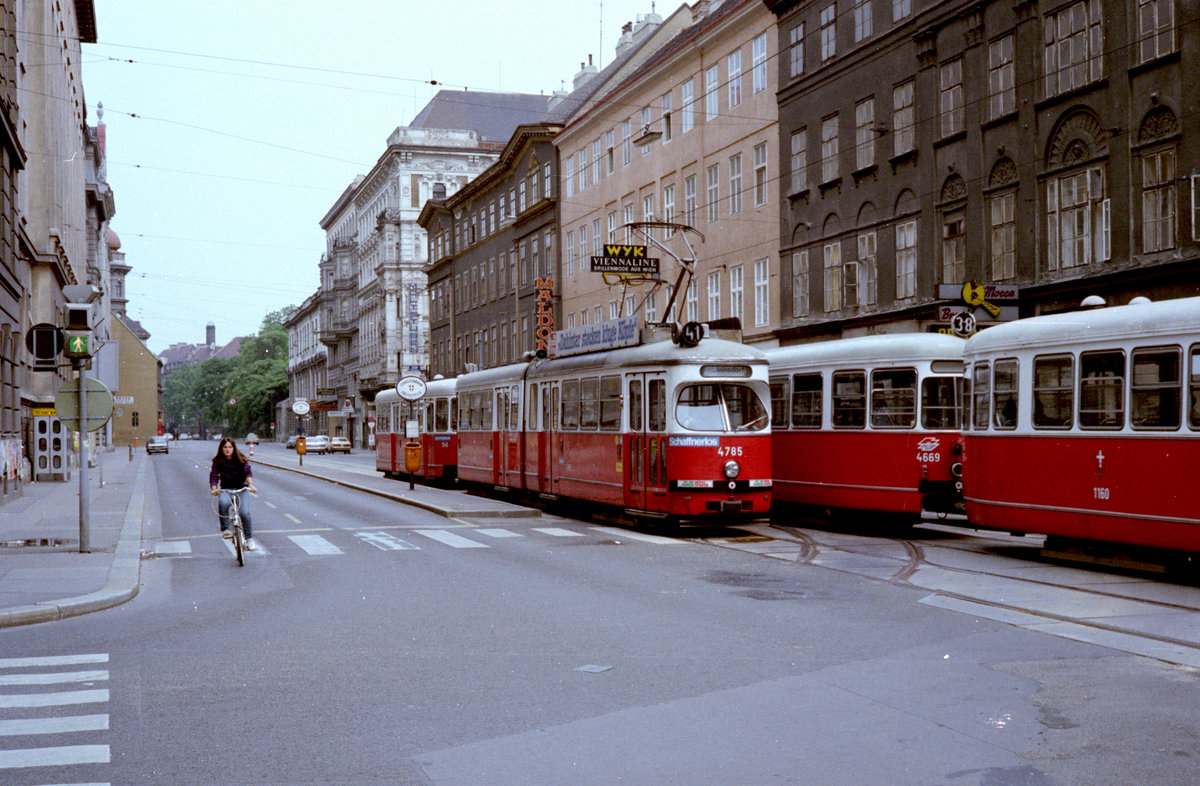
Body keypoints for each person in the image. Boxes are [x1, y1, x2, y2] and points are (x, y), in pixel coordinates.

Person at [209, 438, 258, 550]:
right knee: (223, 502)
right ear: (221, 449)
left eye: (230, 447)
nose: (227, 450)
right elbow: (214, 476)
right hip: (226, 489)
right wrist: (214, 488)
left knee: (244, 513)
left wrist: (250, 485)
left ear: (234, 448)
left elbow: (247, 472)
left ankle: (249, 538)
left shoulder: (241, 459)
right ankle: (226, 529)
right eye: (225, 447)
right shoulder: (218, 461)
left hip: (242, 488)